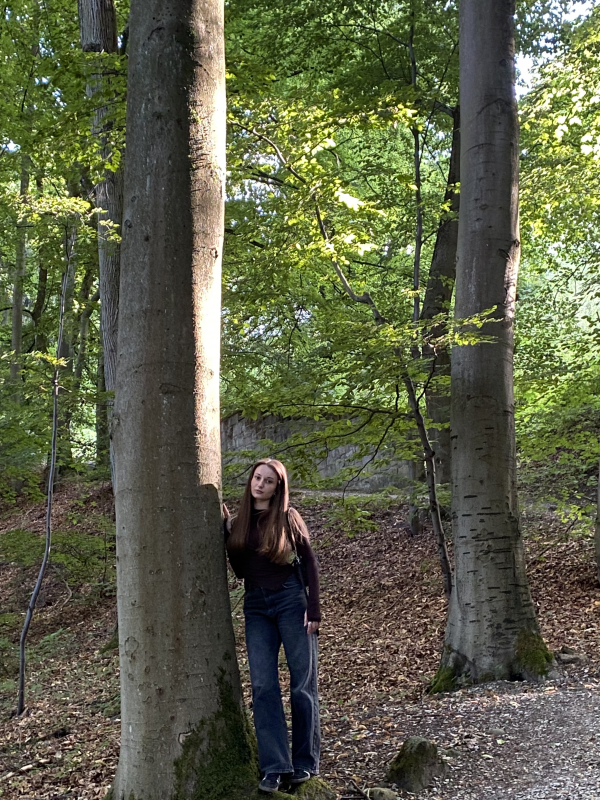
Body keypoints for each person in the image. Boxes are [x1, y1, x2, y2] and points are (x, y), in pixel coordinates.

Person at [223, 458, 321, 794]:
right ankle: (275, 766)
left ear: (278, 488)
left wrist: (314, 609)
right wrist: (226, 532)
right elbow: (240, 570)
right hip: (256, 606)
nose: (260, 484)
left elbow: (309, 562)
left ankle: (304, 762)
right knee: (263, 685)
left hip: (292, 602)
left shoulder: (288, 517)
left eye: (268, 481)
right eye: (257, 478)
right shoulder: (238, 522)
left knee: (302, 684)